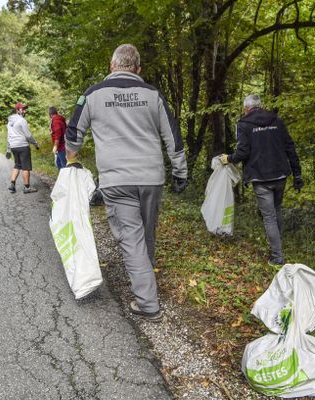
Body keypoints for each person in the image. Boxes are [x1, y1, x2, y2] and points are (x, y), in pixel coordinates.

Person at [65, 44, 188, 322]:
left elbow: (73, 133)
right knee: (146, 235)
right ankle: (145, 280)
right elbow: (173, 135)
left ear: (112, 65)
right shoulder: (152, 94)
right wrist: (180, 171)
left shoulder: (92, 94)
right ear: (138, 69)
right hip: (151, 178)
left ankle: (148, 304)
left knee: (132, 241)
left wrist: (71, 162)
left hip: (116, 181)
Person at [220, 94, 303, 268]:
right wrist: (297, 175)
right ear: (260, 106)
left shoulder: (243, 124)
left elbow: (242, 152)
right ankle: (278, 246)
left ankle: (277, 257)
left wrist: (229, 158)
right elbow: (290, 147)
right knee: (276, 210)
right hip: (281, 175)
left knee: (269, 217)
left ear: (246, 108)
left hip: (260, 177)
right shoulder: (277, 121)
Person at [6, 102, 39, 193]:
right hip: (23, 146)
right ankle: (27, 187)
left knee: (17, 165)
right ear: (17, 110)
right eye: (23, 109)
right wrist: (35, 143)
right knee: (25, 167)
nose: (25, 110)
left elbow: (8, 136)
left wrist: (8, 148)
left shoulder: (9, 122)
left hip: (13, 146)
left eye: (25, 108)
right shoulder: (22, 120)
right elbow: (28, 135)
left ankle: (12, 185)